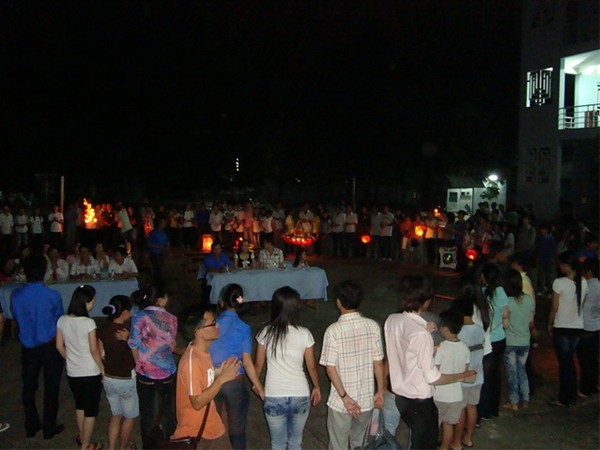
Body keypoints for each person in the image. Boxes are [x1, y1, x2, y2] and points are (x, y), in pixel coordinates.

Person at [384, 274, 475, 450]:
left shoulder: (392, 320)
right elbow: (433, 378)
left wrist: (425, 336)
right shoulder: (420, 334)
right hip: (419, 401)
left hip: (400, 397)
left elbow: (405, 350)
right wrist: (462, 375)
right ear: (426, 302)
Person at [319, 280, 384, 450]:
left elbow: (330, 369)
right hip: (366, 399)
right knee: (359, 443)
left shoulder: (333, 330)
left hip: (341, 402)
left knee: (338, 444)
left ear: (338, 302)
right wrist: (380, 391)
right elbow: (378, 362)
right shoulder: (373, 326)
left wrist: (344, 397)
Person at [254, 286, 321, 450]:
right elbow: (311, 367)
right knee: (295, 443)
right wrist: (316, 387)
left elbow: (258, 366)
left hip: (274, 395)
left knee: (277, 444)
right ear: (296, 308)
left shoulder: (265, 332)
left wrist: (258, 386)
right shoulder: (304, 333)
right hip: (300, 394)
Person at [10, 252, 65, 440]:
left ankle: (31, 424)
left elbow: (16, 317)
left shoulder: (16, 295)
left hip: (28, 346)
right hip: (49, 345)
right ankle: (49, 427)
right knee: (51, 387)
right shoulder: (52, 295)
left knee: (29, 386)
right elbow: (59, 320)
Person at [170, 311, 241, 449]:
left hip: (211, 426)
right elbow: (197, 402)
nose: (217, 326)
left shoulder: (201, 352)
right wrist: (221, 380)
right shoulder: (192, 361)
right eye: (213, 323)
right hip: (198, 432)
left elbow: (201, 377)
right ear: (199, 332)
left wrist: (219, 371)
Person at [209, 284, 265, 449]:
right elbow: (247, 362)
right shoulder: (244, 328)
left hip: (213, 378)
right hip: (234, 381)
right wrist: (260, 388)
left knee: (214, 426)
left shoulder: (212, 325)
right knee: (237, 428)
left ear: (221, 302)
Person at [127, 285, 178, 449]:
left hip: (145, 372)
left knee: (147, 414)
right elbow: (172, 345)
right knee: (168, 413)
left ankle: (149, 446)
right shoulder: (172, 318)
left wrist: (139, 364)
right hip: (167, 370)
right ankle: (170, 444)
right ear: (160, 299)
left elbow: (133, 344)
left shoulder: (138, 317)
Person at [56, 285, 104, 450]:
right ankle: (86, 445)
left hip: (73, 372)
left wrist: (70, 359)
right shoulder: (89, 323)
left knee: (80, 405)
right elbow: (94, 350)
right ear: (85, 302)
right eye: (92, 302)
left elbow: (59, 346)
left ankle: (83, 437)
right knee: (91, 411)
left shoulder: (62, 320)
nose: (93, 304)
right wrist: (102, 368)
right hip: (90, 372)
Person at [97, 295, 138, 450]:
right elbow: (137, 357)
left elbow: (100, 354)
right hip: (126, 379)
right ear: (125, 312)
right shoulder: (128, 331)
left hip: (109, 378)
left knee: (115, 415)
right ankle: (123, 447)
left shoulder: (103, 330)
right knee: (129, 417)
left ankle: (112, 448)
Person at [547, 251, 588, 407]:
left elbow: (554, 306)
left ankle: (565, 397)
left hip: (562, 326)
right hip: (577, 326)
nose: (560, 267)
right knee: (569, 361)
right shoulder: (583, 282)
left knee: (565, 364)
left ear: (567, 266)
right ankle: (571, 394)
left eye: (562, 264)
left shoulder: (559, 283)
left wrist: (550, 323)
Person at [451, 296, 485, 450]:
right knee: (472, 407)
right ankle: (468, 438)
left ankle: (457, 442)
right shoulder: (479, 329)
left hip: (463, 377)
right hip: (477, 375)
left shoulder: (459, 332)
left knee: (460, 410)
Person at [433, 309, 471, 450]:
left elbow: (434, 371)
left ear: (445, 329)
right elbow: (465, 371)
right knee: (448, 424)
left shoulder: (441, 348)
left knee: (434, 425)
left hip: (439, 395)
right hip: (456, 395)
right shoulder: (465, 348)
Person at [477, 262, 508, 421]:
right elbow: (505, 315)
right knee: (495, 376)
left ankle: (484, 410)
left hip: (488, 340)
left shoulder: (482, 294)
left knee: (486, 377)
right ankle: (493, 409)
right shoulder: (501, 292)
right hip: (500, 338)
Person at [502, 269, 535, 411]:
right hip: (525, 340)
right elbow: (530, 319)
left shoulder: (507, 301)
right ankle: (526, 398)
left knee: (512, 373)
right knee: (522, 370)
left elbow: (505, 323)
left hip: (510, 341)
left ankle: (514, 401)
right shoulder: (528, 299)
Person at [577, 258, 600, 397]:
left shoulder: (586, 286)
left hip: (585, 326)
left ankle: (586, 388)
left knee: (585, 360)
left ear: (588, 271)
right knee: (593, 359)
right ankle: (594, 385)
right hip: (597, 326)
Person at [145, 218, 170, 285]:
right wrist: (157, 247)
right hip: (155, 254)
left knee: (160, 268)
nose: (164, 224)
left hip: (162, 253)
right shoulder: (153, 233)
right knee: (157, 268)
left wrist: (167, 252)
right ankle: (157, 282)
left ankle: (158, 282)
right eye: (163, 222)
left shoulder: (163, 233)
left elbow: (166, 243)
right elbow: (148, 244)